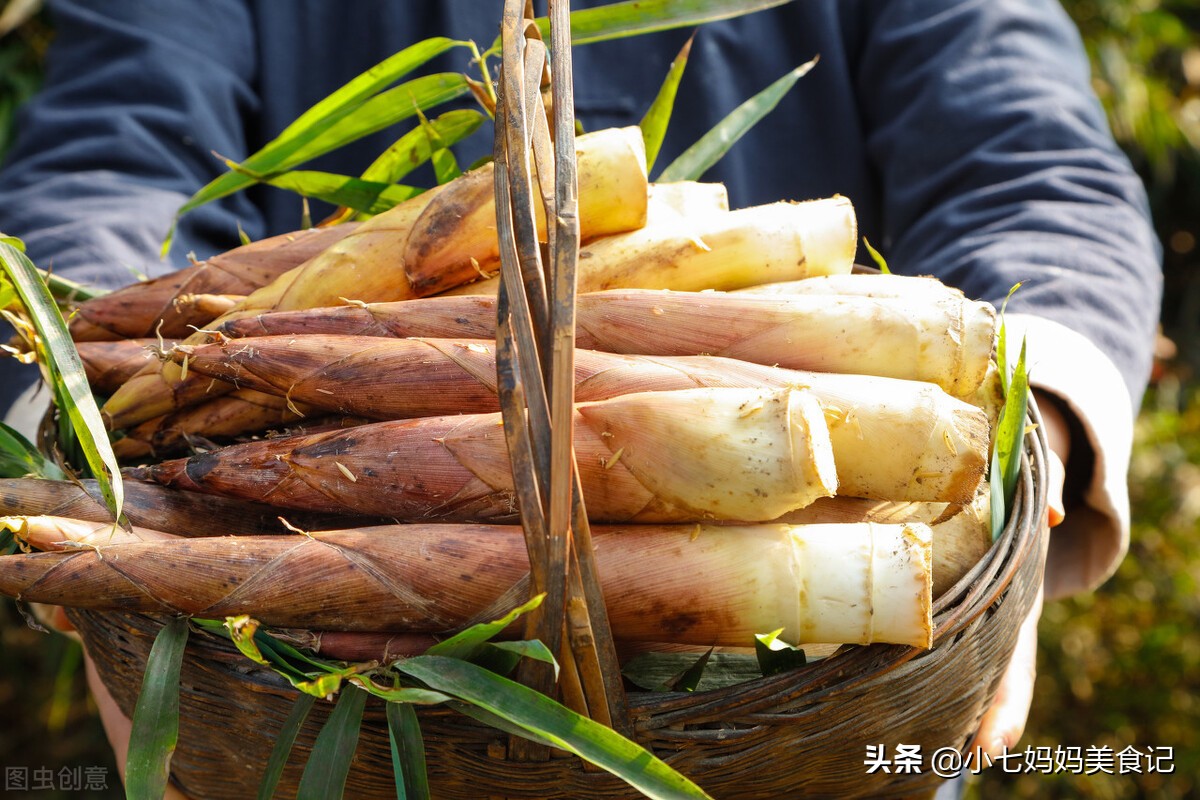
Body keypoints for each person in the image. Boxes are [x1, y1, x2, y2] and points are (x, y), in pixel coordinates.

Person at [0, 0, 1161, 795]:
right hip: (323, 675)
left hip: (828, 641)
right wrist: (100, 458)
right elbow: (110, 157)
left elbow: (1034, 170)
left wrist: (1032, 433)